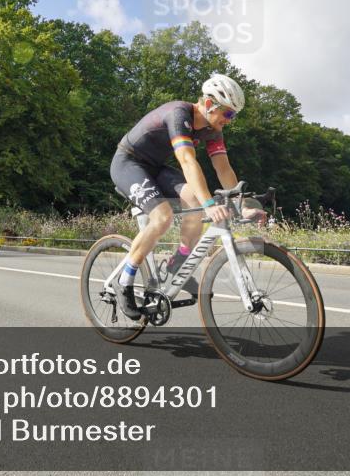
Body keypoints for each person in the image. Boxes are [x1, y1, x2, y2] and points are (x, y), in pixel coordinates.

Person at [110, 73, 266, 320]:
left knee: (194, 202)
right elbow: (186, 160)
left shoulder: (213, 129)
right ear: (209, 104)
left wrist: (242, 205)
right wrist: (209, 203)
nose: (229, 120)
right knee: (163, 217)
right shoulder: (178, 114)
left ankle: (177, 263)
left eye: (233, 115)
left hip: (155, 168)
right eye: (227, 113)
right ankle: (124, 280)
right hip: (128, 163)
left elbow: (223, 168)